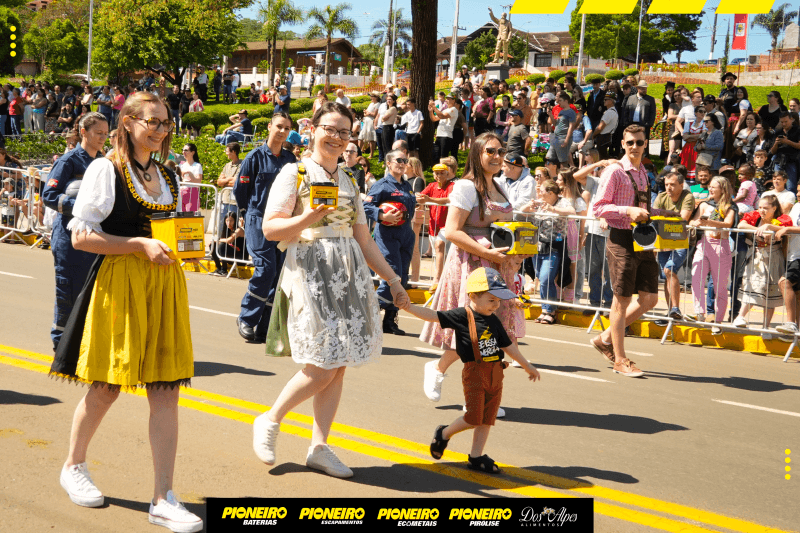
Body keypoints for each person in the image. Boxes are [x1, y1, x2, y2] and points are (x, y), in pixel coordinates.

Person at [48, 91, 202, 533]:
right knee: (107, 386)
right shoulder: (105, 168)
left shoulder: (166, 173)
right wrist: (138, 245)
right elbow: (81, 237)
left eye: (165, 121)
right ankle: (73, 465)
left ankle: (163, 497)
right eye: (150, 120)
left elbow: (168, 230)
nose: (159, 128)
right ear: (128, 122)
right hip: (121, 282)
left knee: (166, 389)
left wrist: (186, 248)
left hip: (162, 284)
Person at [253, 101, 409, 479]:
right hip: (309, 268)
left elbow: (364, 239)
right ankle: (270, 419)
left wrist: (393, 280)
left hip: (349, 271)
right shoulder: (295, 173)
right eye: (330, 129)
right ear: (313, 130)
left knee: (338, 366)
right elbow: (271, 229)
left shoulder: (349, 180)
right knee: (323, 362)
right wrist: (310, 216)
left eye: (344, 132)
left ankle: (319, 447)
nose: (337, 138)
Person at [421, 133, 527, 410]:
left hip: (497, 266)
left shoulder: (500, 186)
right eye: (490, 151)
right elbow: (452, 231)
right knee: (473, 334)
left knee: (493, 334)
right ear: (477, 154)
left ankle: (471, 389)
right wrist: (486, 253)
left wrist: (517, 251)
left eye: (500, 151)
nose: (497, 156)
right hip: (472, 265)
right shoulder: (467, 187)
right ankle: (467, 391)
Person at [402, 267, 539, 474]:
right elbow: (433, 316)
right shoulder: (462, 315)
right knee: (474, 418)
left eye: (499, 300)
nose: (496, 305)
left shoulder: (494, 320)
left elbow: (508, 345)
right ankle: (444, 434)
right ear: (473, 296)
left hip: (496, 374)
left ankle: (476, 457)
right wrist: (408, 307)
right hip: (474, 374)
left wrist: (527, 365)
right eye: (491, 299)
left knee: (487, 419)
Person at [591, 125, 678, 376]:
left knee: (650, 299)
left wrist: (666, 214)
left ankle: (604, 338)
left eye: (639, 143)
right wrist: (626, 211)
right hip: (621, 238)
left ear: (645, 143)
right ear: (623, 143)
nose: (635, 147)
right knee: (621, 300)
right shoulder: (613, 172)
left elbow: (644, 207)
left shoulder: (643, 172)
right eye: (630, 143)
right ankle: (620, 359)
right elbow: (599, 208)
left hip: (643, 239)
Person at [41, 113, 108, 352]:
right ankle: (61, 348)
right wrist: (80, 208)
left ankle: (83, 345)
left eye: (106, 133)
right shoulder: (68, 161)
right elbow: (48, 196)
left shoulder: (103, 163)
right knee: (68, 292)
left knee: (90, 294)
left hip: (94, 240)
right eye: (98, 133)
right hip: (68, 239)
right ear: (83, 132)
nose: (103, 138)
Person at [233, 112, 296, 343]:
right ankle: (247, 318)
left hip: (281, 222)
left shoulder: (290, 160)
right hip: (258, 219)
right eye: (279, 126)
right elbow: (241, 191)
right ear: (270, 127)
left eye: (287, 128)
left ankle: (266, 325)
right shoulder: (255, 157)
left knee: (279, 275)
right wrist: (244, 214)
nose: (282, 131)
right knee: (266, 269)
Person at [362, 150, 416, 334]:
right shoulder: (382, 185)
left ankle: (390, 321)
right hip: (388, 234)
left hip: (406, 233)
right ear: (388, 163)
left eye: (405, 160)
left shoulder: (407, 185)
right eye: (398, 160)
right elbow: (366, 205)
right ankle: (367, 314)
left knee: (403, 277)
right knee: (393, 275)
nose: (402, 163)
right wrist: (382, 215)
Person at [732, 194, 791, 331]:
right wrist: (758, 230)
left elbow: (785, 229)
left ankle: (765, 326)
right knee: (751, 286)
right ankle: (740, 317)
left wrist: (770, 227)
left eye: (766, 208)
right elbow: (741, 224)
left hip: (774, 257)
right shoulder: (755, 217)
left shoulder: (781, 220)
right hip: (756, 256)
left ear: (774, 208)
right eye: (760, 207)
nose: (762, 210)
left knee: (770, 293)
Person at [688, 177, 736, 334]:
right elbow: (694, 221)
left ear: (722, 188)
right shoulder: (704, 204)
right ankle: (699, 313)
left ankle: (718, 321)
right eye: (710, 186)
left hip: (720, 246)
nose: (710, 189)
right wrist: (695, 223)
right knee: (696, 277)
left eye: (714, 187)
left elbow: (728, 224)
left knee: (720, 287)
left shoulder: (730, 206)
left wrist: (709, 222)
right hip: (704, 243)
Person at [653, 172, 695, 322]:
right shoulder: (661, 196)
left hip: (680, 239)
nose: (668, 188)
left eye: (672, 185)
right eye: (666, 184)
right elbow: (654, 218)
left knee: (669, 270)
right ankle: (671, 311)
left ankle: (675, 308)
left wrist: (665, 217)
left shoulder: (687, 196)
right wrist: (669, 217)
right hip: (664, 239)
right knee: (667, 275)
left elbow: (683, 219)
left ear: (681, 185)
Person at [418, 163, 455, 289]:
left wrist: (430, 200)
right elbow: (421, 196)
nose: (439, 175)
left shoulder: (451, 185)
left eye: (442, 173)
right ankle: (442, 280)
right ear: (433, 175)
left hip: (448, 225)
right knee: (437, 253)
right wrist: (419, 199)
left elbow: (450, 199)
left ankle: (438, 279)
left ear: (447, 174)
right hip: (433, 225)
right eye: (437, 173)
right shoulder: (431, 185)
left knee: (440, 247)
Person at [215, 141, 243, 249]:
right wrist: (228, 180)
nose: (226, 153)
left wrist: (225, 180)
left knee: (234, 226)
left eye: (227, 151)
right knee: (222, 225)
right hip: (225, 199)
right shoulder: (227, 165)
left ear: (234, 152)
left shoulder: (243, 164)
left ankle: (233, 248)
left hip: (235, 201)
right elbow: (219, 182)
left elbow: (237, 181)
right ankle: (219, 247)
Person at [546, 92, 576, 177]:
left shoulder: (571, 112)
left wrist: (566, 140)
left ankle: (566, 180)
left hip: (563, 138)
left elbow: (571, 126)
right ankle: (553, 176)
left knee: (563, 162)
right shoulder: (561, 112)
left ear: (566, 101)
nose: (559, 102)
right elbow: (556, 124)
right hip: (556, 138)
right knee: (549, 158)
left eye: (561, 101)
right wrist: (550, 115)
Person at [769, 112, 800, 194]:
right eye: (782, 122)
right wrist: (776, 143)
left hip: (791, 161)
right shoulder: (778, 131)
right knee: (777, 185)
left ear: (791, 119)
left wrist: (787, 141)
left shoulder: (797, 130)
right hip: (778, 161)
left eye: (786, 121)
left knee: (791, 186)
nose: (783, 124)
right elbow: (772, 151)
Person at [429, 93, 458, 161]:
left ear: (453, 100)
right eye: (446, 98)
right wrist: (431, 111)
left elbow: (442, 116)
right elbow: (434, 119)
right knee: (436, 157)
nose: (446, 100)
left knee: (443, 157)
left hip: (446, 136)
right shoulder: (444, 110)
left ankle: (445, 171)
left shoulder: (454, 109)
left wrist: (434, 107)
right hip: (439, 135)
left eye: (449, 99)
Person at [178, 143, 202, 212]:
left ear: (192, 152)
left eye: (186, 150)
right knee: (180, 215)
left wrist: (191, 176)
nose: (183, 152)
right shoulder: (181, 165)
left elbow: (199, 181)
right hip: (181, 192)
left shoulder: (197, 166)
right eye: (183, 150)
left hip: (192, 193)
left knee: (190, 216)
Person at [360, 92, 380, 158]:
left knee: (371, 139)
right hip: (366, 121)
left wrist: (368, 113)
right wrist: (366, 113)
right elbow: (366, 113)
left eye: (372, 96)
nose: (371, 97)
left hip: (371, 122)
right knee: (361, 137)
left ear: (376, 97)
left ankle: (371, 154)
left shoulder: (378, 104)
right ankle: (359, 151)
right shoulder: (371, 104)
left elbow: (375, 114)